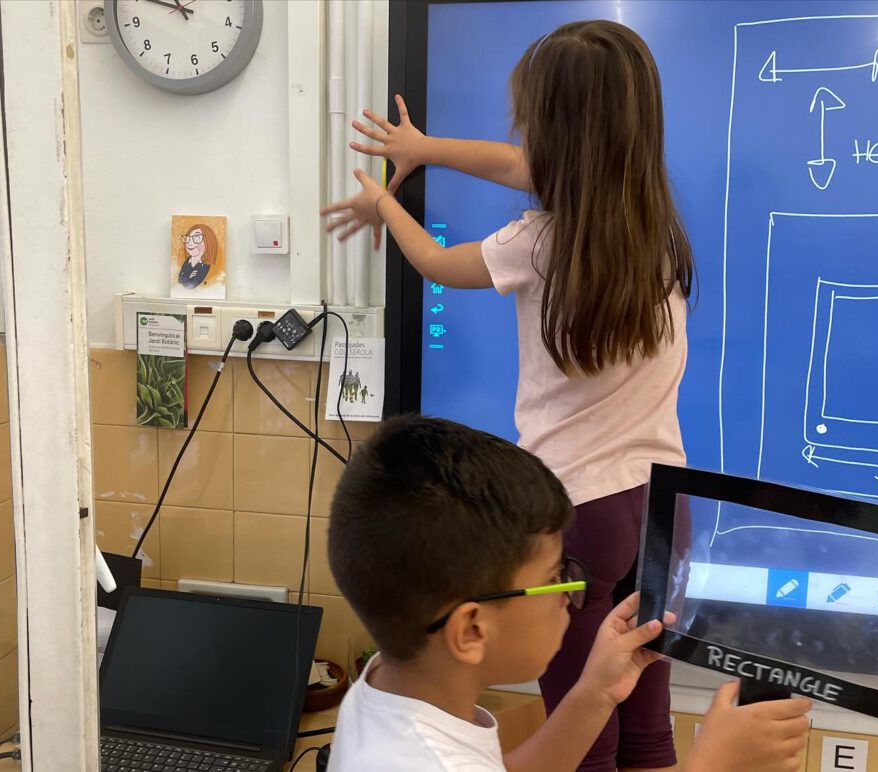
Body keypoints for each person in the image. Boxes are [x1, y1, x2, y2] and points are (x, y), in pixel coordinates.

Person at [323, 20, 693, 771]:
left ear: (550, 136)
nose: (518, 140)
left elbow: (436, 263)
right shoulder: (656, 231)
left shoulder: (537, 243)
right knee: (646, 725)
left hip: (583, 513)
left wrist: (384, 204)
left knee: (587, 734)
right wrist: (425, 148)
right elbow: (522, 165)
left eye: (527, 122)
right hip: (664, 508)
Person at [326, 415, 811, 772]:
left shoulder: (384, 691)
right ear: (471, 630)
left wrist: (595, 694)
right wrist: (714, 765)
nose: (570, 593)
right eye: (557, 575)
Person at [177, 224, 218, 290]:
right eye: (188, 239)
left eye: (197, 238)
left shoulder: (205, 266)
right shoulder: (187, 261)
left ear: (208, 241)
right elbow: (180, 281)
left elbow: (190, 284)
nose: (190, 243)